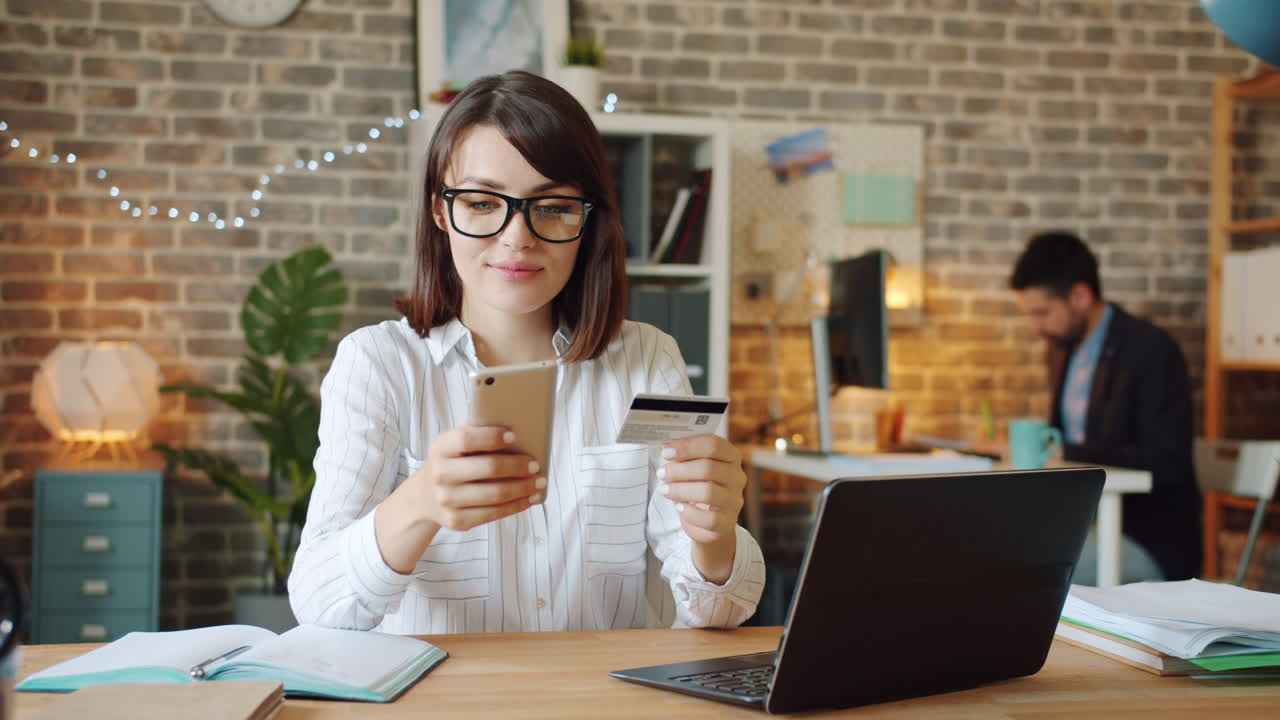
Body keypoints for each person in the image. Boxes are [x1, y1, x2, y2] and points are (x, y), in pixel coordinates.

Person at [288, 71, 764, 634]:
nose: (517, 237)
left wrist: (714, 537)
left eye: (553, 207)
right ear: (440, 211)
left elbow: (723, 610)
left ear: (587, 220)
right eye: (482, 203)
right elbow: (316, 604)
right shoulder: (378, 364)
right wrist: (418, 503)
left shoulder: (649, 359)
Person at [1006, 231, 1202, 582]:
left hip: (1148, 541)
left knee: (1019, 562)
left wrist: (1067, 450)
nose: (1035, 327)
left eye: (1042, 313)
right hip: (1087, 527)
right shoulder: (1061, 350)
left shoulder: (1151, 351)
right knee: (995, 543)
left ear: (1080, 296)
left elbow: (1167, 462)